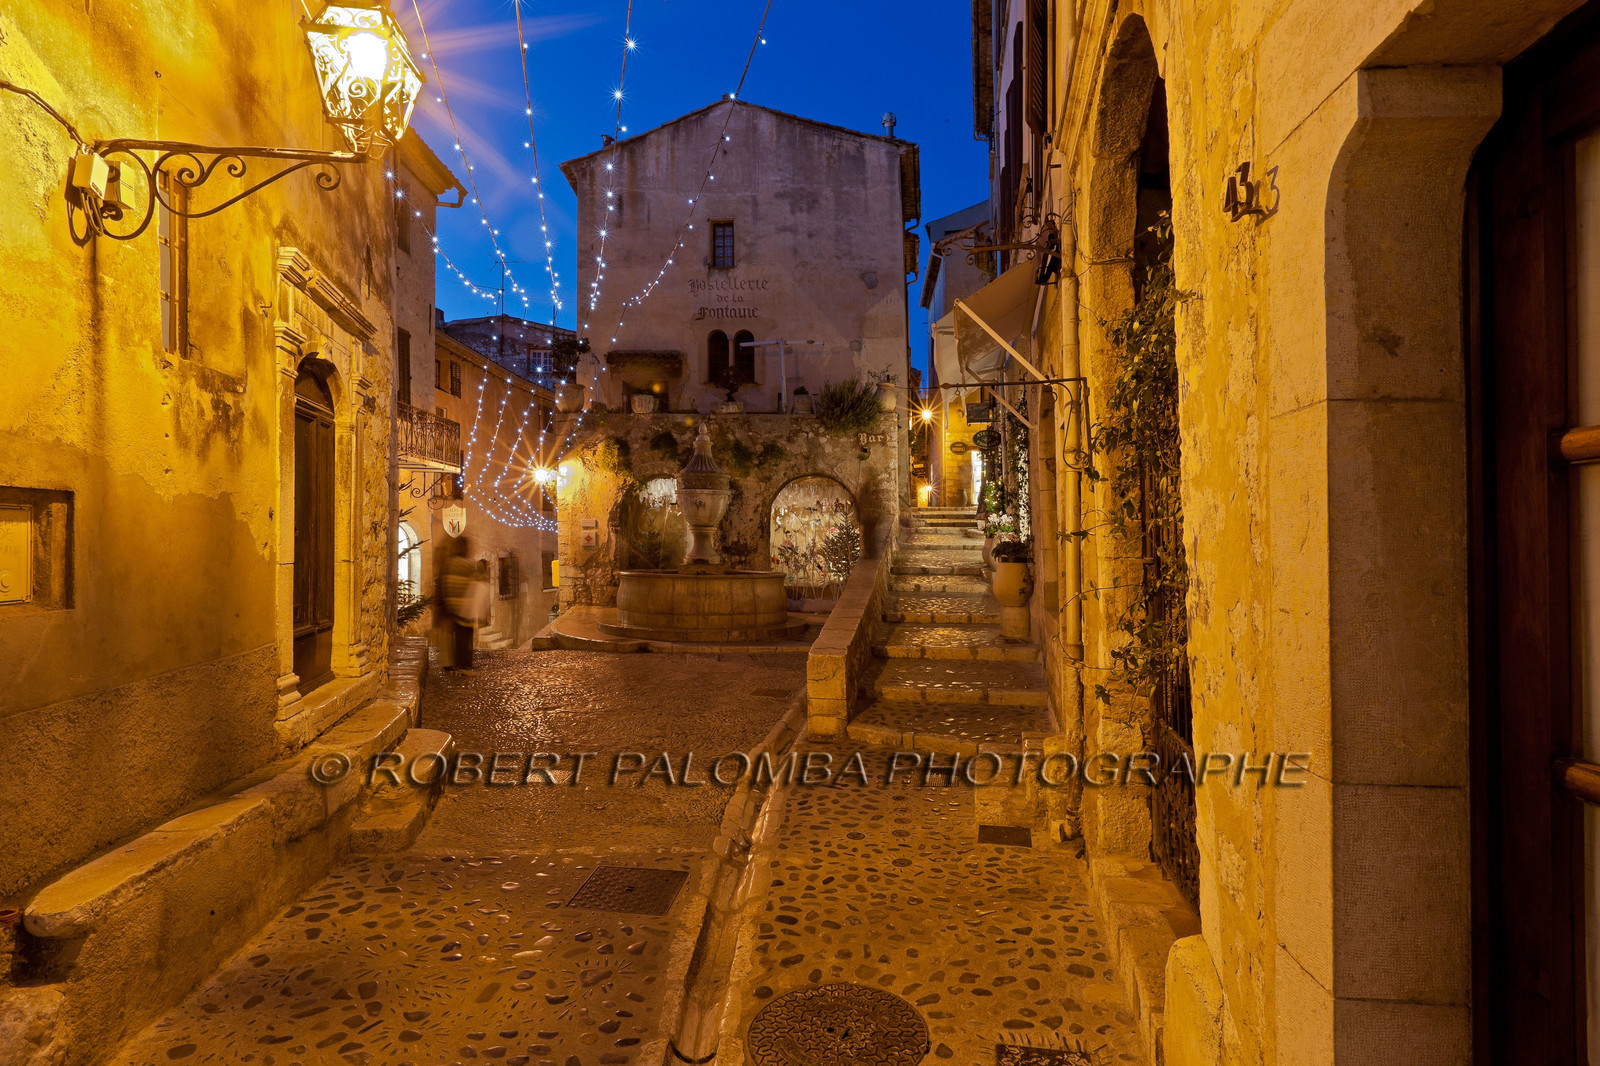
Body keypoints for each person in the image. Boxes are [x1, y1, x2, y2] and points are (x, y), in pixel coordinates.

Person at [436, 535, 478, 672]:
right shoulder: (470, 565)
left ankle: (452, 664)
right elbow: (474, 586)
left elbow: (444, 584)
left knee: (451, 637)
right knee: (465, 637)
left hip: (451, 606)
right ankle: (464, 664)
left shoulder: (449, 563)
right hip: (465, 607)